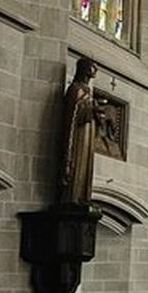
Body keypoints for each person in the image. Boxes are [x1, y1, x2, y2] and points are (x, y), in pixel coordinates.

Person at [58, 57, 101, 208]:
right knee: (77, 161)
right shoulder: (75, 88)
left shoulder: (87, 91)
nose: (94, 70)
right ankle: (72, 196)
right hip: (78, 135)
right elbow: (72, 115)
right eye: (92, 67)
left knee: (86, 163)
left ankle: (82, 196)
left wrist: (96, 113)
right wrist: (91, 109)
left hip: (88, 133)